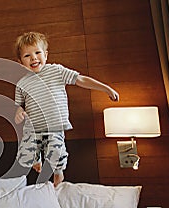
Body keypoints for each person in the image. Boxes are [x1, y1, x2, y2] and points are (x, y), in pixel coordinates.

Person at [14, 32, 119, 187]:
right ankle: (36, 160)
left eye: (37, 53)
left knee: (56, 153)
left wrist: (106, 89)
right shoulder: (22, 83)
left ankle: (58, 173)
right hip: (33, 128)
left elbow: (81, 79)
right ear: (21, 62)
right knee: (25, 156)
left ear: (46, 55)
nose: (34, 58)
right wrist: (18, 112)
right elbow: (19, 105)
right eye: (27, 56)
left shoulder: (56, 71)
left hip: (54, 126)